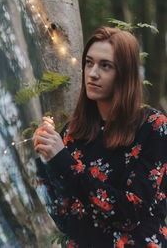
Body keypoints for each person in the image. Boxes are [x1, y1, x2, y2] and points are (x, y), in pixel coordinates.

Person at [33, 27, 167, 248]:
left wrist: (64, 163)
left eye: (105, 65)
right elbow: (65, 220)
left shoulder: (154, 127)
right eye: (89, 62)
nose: (93, 73)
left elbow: (131, 213)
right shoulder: (72, 133)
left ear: (124, 73)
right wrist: (46, 162)